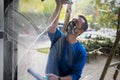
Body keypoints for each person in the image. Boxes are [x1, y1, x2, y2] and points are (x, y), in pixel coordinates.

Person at [45, 0, 88, 80]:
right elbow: (51, 27)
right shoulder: (58, 38)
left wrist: (58, 79)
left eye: (76, 22)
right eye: (73, 20)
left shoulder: (81, 52)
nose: (72, 23)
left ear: (80, 31)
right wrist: (59, 5)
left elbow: (76, 75)